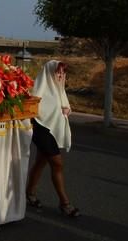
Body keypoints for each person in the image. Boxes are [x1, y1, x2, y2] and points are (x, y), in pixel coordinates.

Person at [25, 60, 80, 217]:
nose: (60, 75)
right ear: (49, 72)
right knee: (57, 164)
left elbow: (63, 105)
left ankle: (30, 193)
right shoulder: (39, 90)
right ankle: (65, 203)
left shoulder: (58, 90)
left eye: (63, 73)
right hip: (41, 130)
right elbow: (33, 109)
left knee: (41, 162)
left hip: (51, 131)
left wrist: (65, 109)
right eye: (58, 72)